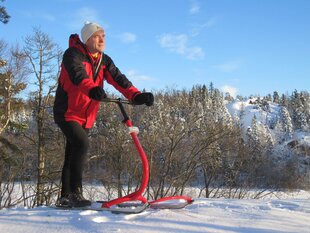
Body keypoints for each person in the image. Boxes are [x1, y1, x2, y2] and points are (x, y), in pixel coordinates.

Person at [53, 22, 154, 207]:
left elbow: (118, 79)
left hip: (87, 115)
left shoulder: (104, 60)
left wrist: (136, 95)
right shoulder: (73, 54)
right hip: (66, 111)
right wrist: (92, 89)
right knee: (82, 144)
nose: (101, 39)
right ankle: (75, 193)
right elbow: (78, 76)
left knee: (72, 153)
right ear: (87, 39)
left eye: (103, 36)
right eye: (96, 36)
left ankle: (65, 197)